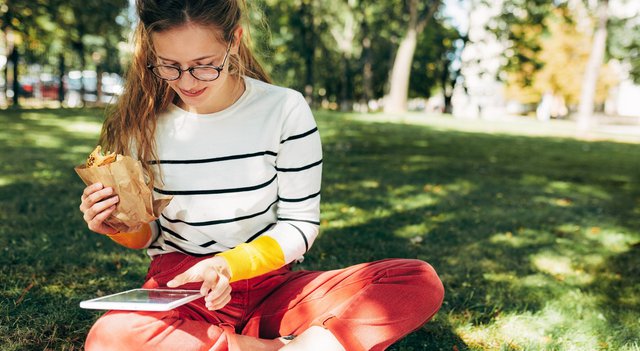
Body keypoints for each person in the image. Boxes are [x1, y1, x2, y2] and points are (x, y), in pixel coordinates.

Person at [78, 1, 444, 350]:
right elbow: (150, 234)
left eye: (204, 64)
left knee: (415, 280)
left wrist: (227, 265)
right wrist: (119, 224)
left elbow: (299, 224)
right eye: (169, 66)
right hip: (184, 291)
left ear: (233, 42)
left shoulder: (284, 109)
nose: (187, 82)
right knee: (111, 336)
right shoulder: (143, 126)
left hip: (274, 289)